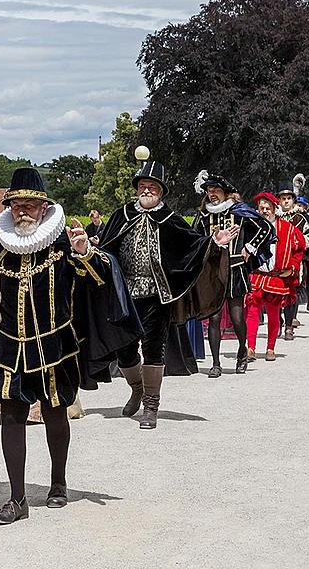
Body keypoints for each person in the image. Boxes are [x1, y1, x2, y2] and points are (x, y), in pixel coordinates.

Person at [0, 167, 141, 525]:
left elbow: (101, 279)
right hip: (7, 348)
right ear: (8, 206)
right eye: (17, 204)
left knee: (55, 414)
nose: (23, 210)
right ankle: (17, 499)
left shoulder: (62, 241)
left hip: (57, 348)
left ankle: (58, 483)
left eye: (30, 204)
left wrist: (86, 254)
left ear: (44, 207)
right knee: (10, 418)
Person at [99, 156, 238, 421]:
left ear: (161, 191)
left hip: (157, 295)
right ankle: (137, 389)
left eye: (152, 186)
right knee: (124, 349)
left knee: (153, 347)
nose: (147, 190)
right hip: (125, 294)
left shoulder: (170, 219)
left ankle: (151, 404)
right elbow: (106, 247)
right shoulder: (122, 215)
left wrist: (214, 243)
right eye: (142, 185)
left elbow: (193, 246)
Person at [192, 171, 272, 376]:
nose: (212, 194)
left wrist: (251, 247)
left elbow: (265, 228)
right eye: (209, 191)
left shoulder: (239, 211)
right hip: (212, 272)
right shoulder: (203, 216)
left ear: (226, 192)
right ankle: (216, 363)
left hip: (235, 270)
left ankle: (242, 352)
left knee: (237, 318)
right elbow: (194, 240)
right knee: (214, 318)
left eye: (216, 190)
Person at [244, 192, 305, 361]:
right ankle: (251, 347)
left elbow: (299, 249)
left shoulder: (287, 228)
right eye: (261, 208)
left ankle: (270, 348)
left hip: (276, 277)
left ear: (274, 208)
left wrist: (292, 267)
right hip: (256, 275)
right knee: (252, 312)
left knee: (273, 313)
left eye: (267, 208)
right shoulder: (251, 227)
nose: (264, 211)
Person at [275, 176, 309, 340]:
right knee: (275, 294)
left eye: (288, 198)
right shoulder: (275, 218)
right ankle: (277, 322)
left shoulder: (300, 218)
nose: (286, 201)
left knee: (291, 293)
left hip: (294, 262)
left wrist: (297, 243)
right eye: (283, 199)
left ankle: (288, 326)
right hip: (276, 262)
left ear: (293, 200)